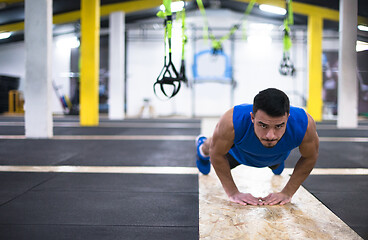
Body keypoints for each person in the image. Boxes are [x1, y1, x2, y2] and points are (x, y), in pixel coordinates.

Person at [196, 88, 319, 206]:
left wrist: (287, 193)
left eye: (279, 126)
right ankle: (202, 148)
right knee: (213, 145)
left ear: (288, 118)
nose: (270, 135)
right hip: (238, 154)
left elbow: (310, 157)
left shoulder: (304, 124)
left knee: (277, 166)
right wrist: (233, 193)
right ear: (252, 118)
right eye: (263, 125)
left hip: (276, 156)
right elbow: (216, 153)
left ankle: (276, 163)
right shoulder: (232, 121)